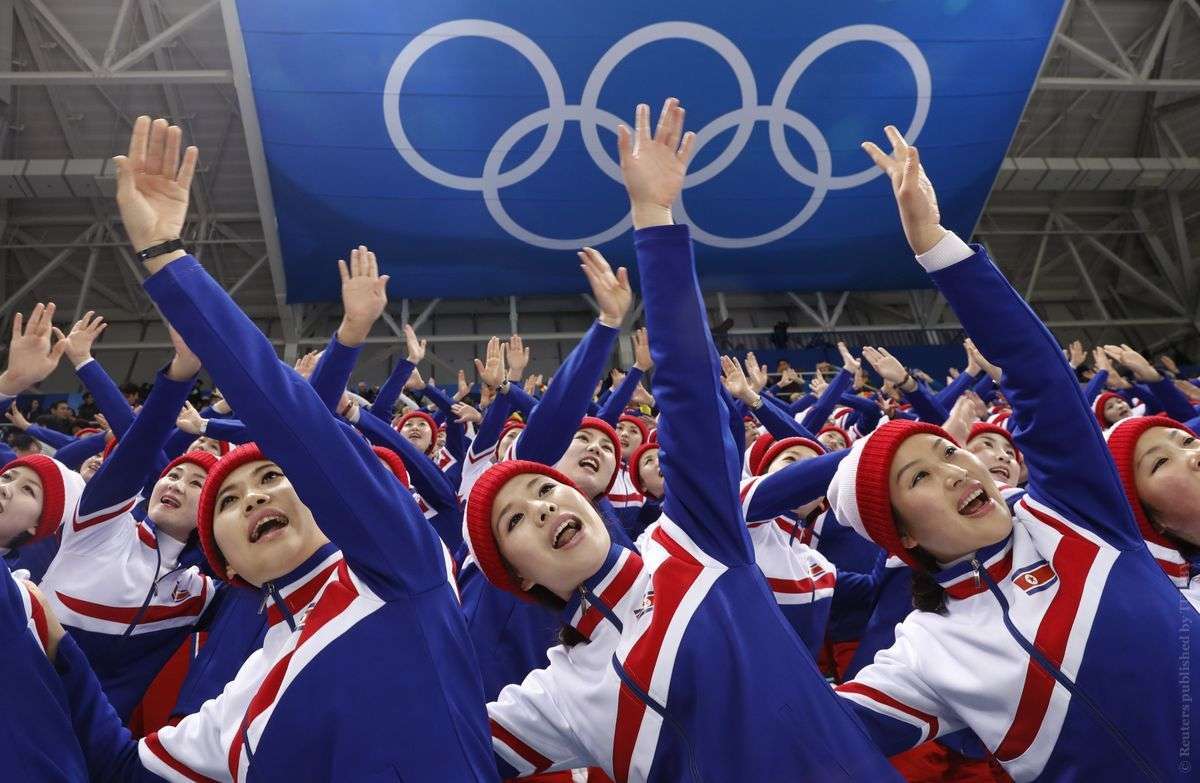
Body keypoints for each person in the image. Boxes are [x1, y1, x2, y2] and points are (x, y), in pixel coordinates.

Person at [38, 115, 495, 781]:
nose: (250, 492)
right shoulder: (240, 696)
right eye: (226, 499)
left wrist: (168, 258)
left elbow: (289, 416)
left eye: (271, 477)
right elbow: (120, 767)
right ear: (225, 561)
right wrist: (51, 647)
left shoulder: (398, 569)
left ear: (320, 496)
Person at [473, 98, 895, 782]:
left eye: (545, 488)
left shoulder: (691, 538)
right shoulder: (553, 693)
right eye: (515, 519)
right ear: (517, 575)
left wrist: (654, 221)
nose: (545, 505)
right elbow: (423, 744)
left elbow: (692, 395)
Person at [831, 124, 1196, 781]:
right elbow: (806, 733)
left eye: (949, 452)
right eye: (919, 474)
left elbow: (1038, 373)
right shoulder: (923, 649)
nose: (957, 467)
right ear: (903, 534)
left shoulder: (1075, 514)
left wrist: (936, 248)